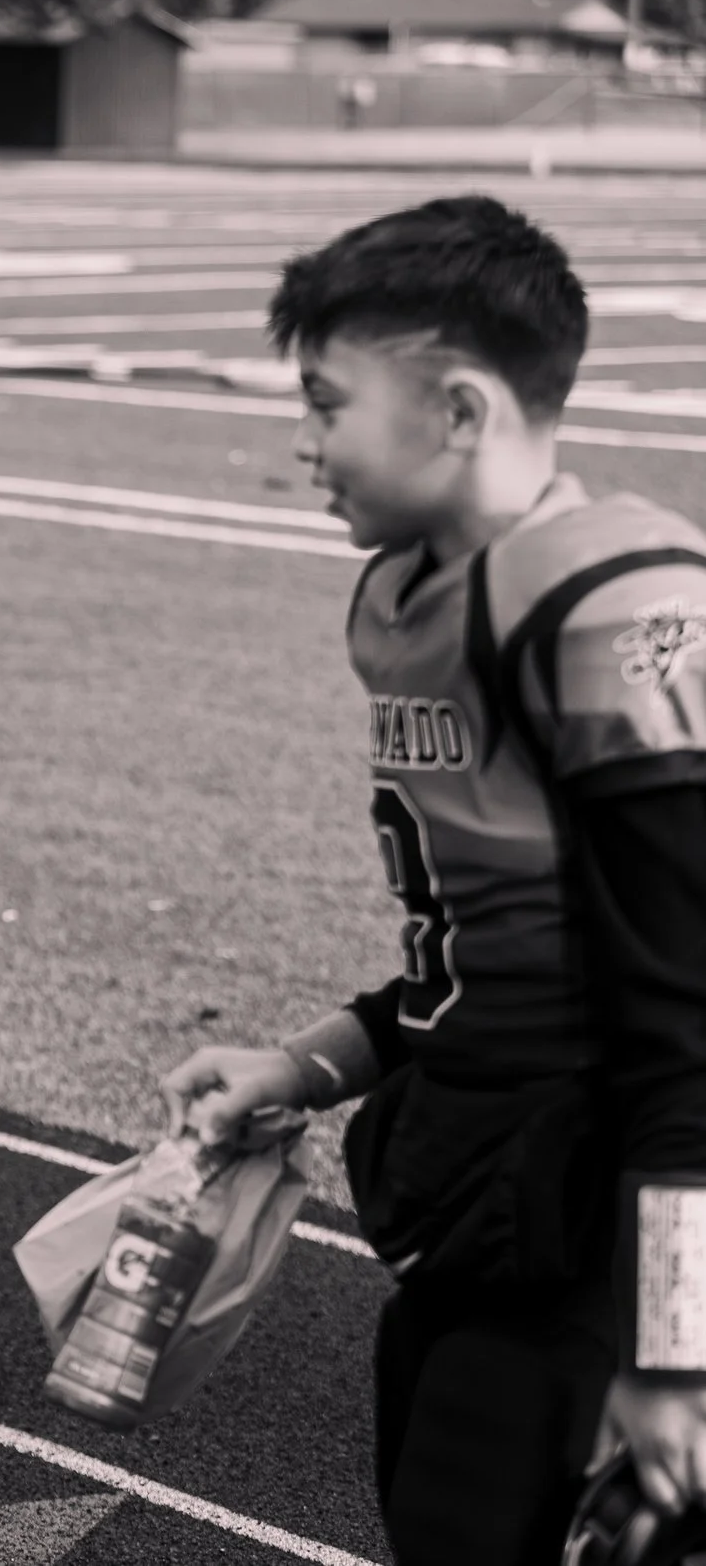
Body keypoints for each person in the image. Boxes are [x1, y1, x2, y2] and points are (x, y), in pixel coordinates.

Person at [159, 196, 706, 1565]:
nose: (303, 443)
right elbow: (493, 946)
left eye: (327, 402)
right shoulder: (418, 590)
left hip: (600, 1209)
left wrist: (678, 1342)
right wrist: (312, 1062)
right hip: (490, 1179)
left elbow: (688, 1017)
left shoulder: (611, 602)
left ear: (458, 408)